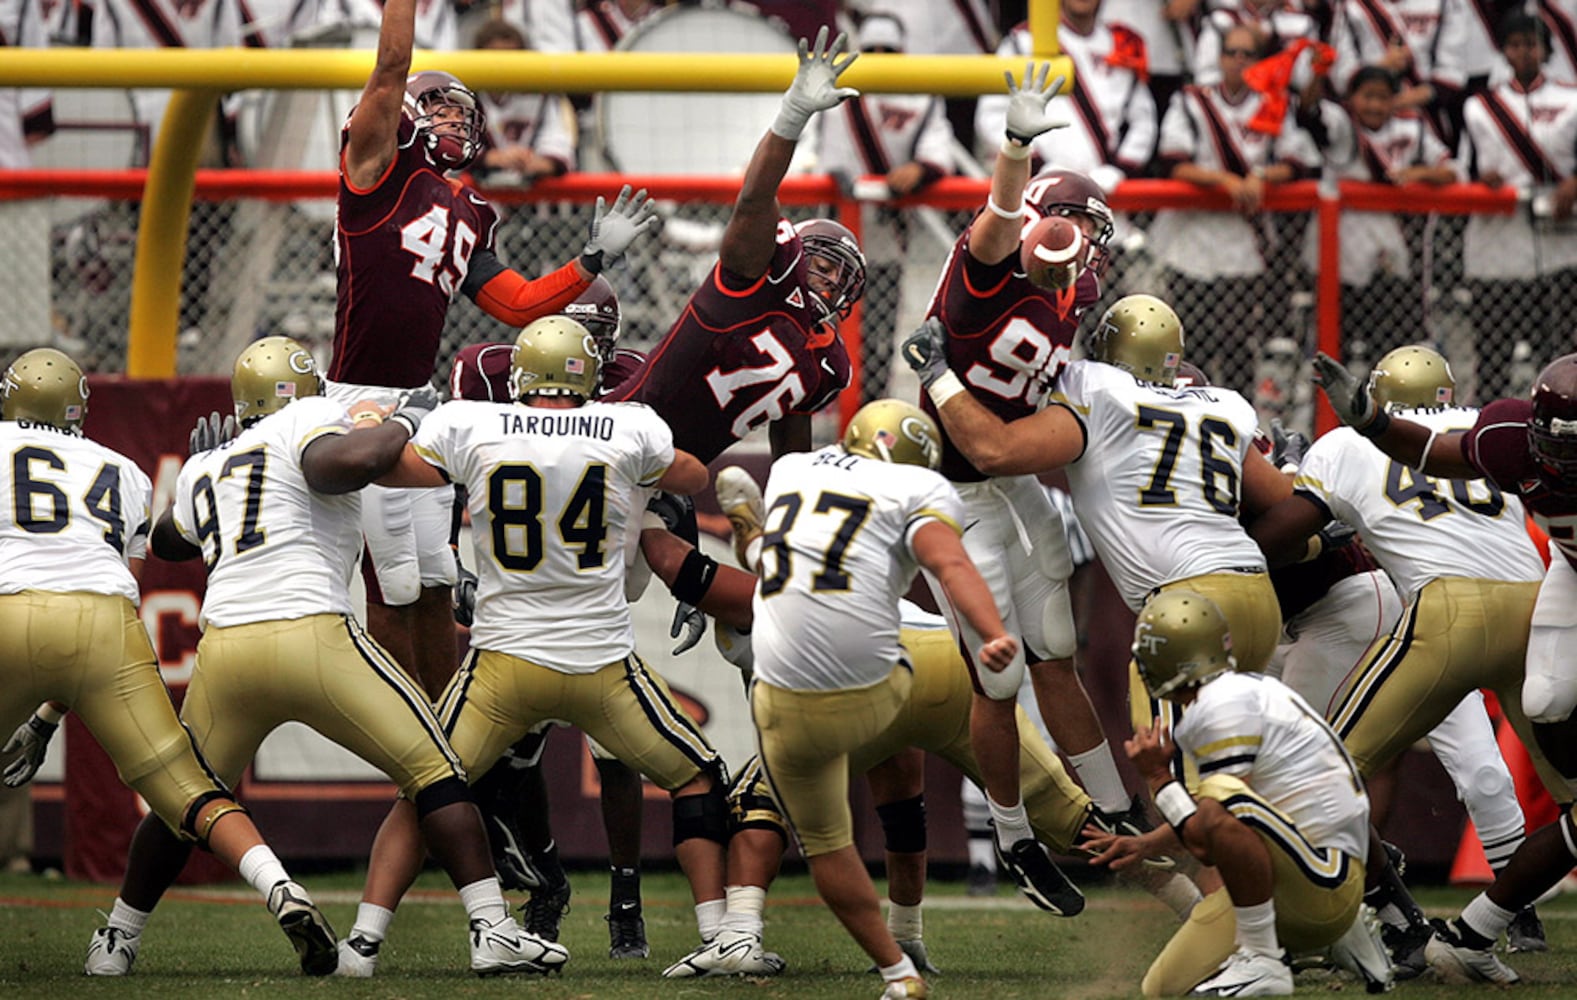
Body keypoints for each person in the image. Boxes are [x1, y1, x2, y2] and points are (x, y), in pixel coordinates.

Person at [71, 337, 566, 978]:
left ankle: (118, 938)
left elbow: (169, 541)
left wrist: (202, 473)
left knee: (185, 797)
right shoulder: (305, 419)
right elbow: (348, 461)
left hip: (225, 653)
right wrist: (408, 419)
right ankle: (492, 928)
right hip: (310, 633)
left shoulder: (210, 464)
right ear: (302, 393)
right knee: (439, 768)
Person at [332, 317, 733, 976]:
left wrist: (387, 418)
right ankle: (717, 935)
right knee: (696, 778)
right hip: (599, 663)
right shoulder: (629, 425)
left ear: (520, 374)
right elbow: (689, 477)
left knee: (425, 785)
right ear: (589, 374)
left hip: (501, 664)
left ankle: (364, 943)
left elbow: (394, 473)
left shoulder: (474, 422)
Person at [905, 292, 1290, 890]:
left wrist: (938, 377)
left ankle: (1239, 931)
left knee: (1179, 785)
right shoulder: (1225, 404)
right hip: (1256, 594)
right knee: (1241, 768)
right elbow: (1286, 505)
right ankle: (1335, 909)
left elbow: (994, 449)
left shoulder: (1097, 388)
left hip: (1183, 609)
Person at [330, 0, 657, 700]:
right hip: (359, 400)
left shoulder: (469, 208)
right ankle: (409, 746)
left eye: (461, 113)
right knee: (391, 588)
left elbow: (516, 303)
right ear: (406, 116)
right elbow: (390, 67)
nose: (456, 121)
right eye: (440, 109)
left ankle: (444, 730)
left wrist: (591, 260)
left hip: (417, 404)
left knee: (436, 584)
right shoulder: (375, 170)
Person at [906, 61, 1155, 915]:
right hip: (953, 489)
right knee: (997, 677)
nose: (1079, 256)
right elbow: (999, 222)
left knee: (1056, 645)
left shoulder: (1077, 282)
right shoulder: (993, 261)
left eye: (1087, 237)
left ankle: (1111, 812)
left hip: (1008, 478)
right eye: (1072, 233)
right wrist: (1014, 146)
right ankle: (1012, 839)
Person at [0, 347, 335, 976]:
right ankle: (280, 887)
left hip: (9, 607)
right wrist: (47, 716)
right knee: (187, 787)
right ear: (78, 411)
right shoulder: (123, 471)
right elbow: (105, 592)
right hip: (104, 624)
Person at [1250, 345, 1552, 966]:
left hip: (1444, 618)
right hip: (1535, 612)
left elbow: (1285, 533)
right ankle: (1508, 916)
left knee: (1327, 767)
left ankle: (1371, 912)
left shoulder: (1349, 444)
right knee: (1502, 773)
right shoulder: (1491, 431)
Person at [740, 397, 1020, 1000]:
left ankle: (898, 972)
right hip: (878, 689)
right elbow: (949, 563)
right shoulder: (917, 486)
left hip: (784, 699)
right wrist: (992, 631)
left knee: (826, 845)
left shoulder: (793, 470)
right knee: (913, 666)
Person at [447, 281, 656, 960]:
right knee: (509, 755)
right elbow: (456, 474)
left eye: (594, 339)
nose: (581, 356)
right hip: (520, 576)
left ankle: (626, 899)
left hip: (599, 571)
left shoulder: (633, 387)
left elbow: (667, 482)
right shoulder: (487, 375)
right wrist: (457, 563)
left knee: (618, 750)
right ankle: (544, 880)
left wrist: (679, 571)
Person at [1081, 590, 1392, 996]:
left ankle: (1265, 957)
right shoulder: (1230, 697)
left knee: (1223, 797)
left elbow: (1213, 831)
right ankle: (1341, 938)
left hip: (1323, 880)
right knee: (1160, 988)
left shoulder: (1224, 706)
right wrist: (1146, 844)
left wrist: (1159, 777)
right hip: (1301, 868)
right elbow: (1222, 825)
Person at [602, 26, 863, 460]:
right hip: (620, 440)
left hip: (674, 470)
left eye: (842, 275)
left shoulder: (827, 362)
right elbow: (755, 198)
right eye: (823, 263)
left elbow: (791, 448)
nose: (831, 280)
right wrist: (793, 115)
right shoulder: (760, 275)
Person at [1151, 24, 1313, 389]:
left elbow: (1297, 161)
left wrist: (1262, 176)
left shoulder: (1274, 103)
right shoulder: (1191, 100)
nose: (1239, 61)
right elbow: (1174, 161)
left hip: (1244, 241)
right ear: (1219, 57)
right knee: (1190, 343)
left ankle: (1238, 425)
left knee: (1239, 346)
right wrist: (1225, 181)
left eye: (1248, 54)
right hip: (1193, 239)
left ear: (1260, 61)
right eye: (1232, 53)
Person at [812, 12, 956, 404]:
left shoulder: (919, 93)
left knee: (882, 330)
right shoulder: (839, 91)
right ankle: (828, 406)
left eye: (888, 51)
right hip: (839, 233)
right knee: (827, 327)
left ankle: (872, 404)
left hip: (889, 232)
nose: (879, 57)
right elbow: (821, 152)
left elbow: (938, 149)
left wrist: (921, 168)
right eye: (872, 50)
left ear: (902, 53)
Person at [1296, 66, 1456, 366]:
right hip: (1337, 250)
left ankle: (1382, 413)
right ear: (1352, 98)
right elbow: (1307, 111)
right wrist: (1318, 73)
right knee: (1330, 353)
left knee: (1387, 354)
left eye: (1383, 98)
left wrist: (1419, 172)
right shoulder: (1342, 124)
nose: (1375, 105)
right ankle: (1328, 413)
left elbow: (1451, 170)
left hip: (1389, 252)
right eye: (1367, 97)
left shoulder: (1412, 128)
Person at [1457, 12, 1577, 401]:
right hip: (1497, 247)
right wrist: (1480, 181)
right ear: (1503, 50)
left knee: (1558, 354)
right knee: (1492, 355)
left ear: (1546, 49)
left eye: (1532, 43)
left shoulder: (1572, 98)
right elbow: (1461, 168)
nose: (1524, 52)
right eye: (1516, 44)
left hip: (1560, 245)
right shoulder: (1478, 106)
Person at [469, 19, 577, 185]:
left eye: (510, 59)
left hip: (534, 200)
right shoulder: (466, 97)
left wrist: (541, 162)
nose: (502, 68)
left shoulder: (539, 94)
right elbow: (453, 149)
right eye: (495, 59)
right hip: (481, 197)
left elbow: (558, 140)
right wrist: (491, 158)